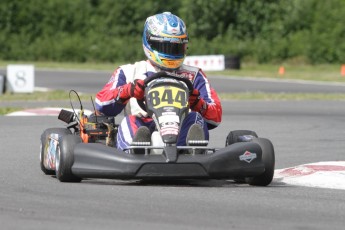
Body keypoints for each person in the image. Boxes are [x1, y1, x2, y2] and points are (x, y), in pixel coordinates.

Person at [95, 12, 222, 153]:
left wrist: (196, 101)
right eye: (165, 47)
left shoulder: (194, 75)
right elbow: (101, 104)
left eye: (176, 48)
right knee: (129, 121)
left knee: (195, 118)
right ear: (149, 42)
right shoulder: (129, 72)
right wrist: (128, 91)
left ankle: (190, 149)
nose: (171, 53)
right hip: (144, 124)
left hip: (180, 128)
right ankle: (136, 149)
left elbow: (215, 117)